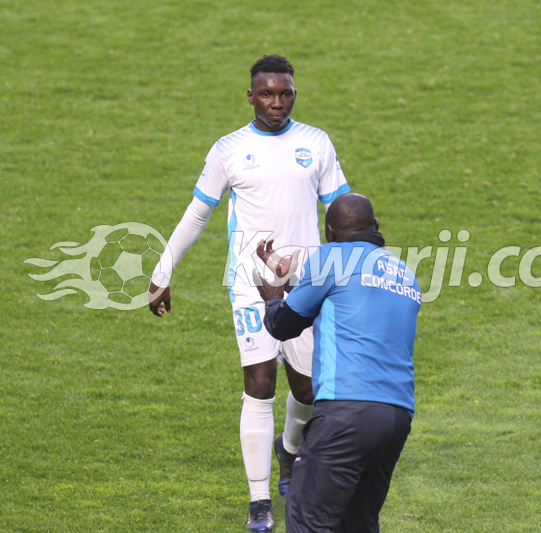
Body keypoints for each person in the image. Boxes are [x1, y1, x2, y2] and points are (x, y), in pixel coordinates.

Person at [147, 54, 350, 532]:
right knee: (259, 385)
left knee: (308, 388)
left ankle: (290, 449)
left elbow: (341, 211)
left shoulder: (315, 143)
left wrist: (352, 268)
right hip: (249, 283)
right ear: (251, 95)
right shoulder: (229, 150)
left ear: (294, 94)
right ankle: (259, 501)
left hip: (307, 284)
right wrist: (162, 270)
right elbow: (198, 214)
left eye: (285, 93)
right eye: (266, 93)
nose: (276, 102)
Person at [255, 193, 421, 533]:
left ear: (329, 233)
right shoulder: (404, 273)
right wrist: (292, 284)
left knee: (307, 521)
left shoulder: (331, 258)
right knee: (358, 523)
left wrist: (273, 298)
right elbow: (344, 300)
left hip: (347, 412)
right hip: (396, 418)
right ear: (376, 227)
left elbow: (284, 325)